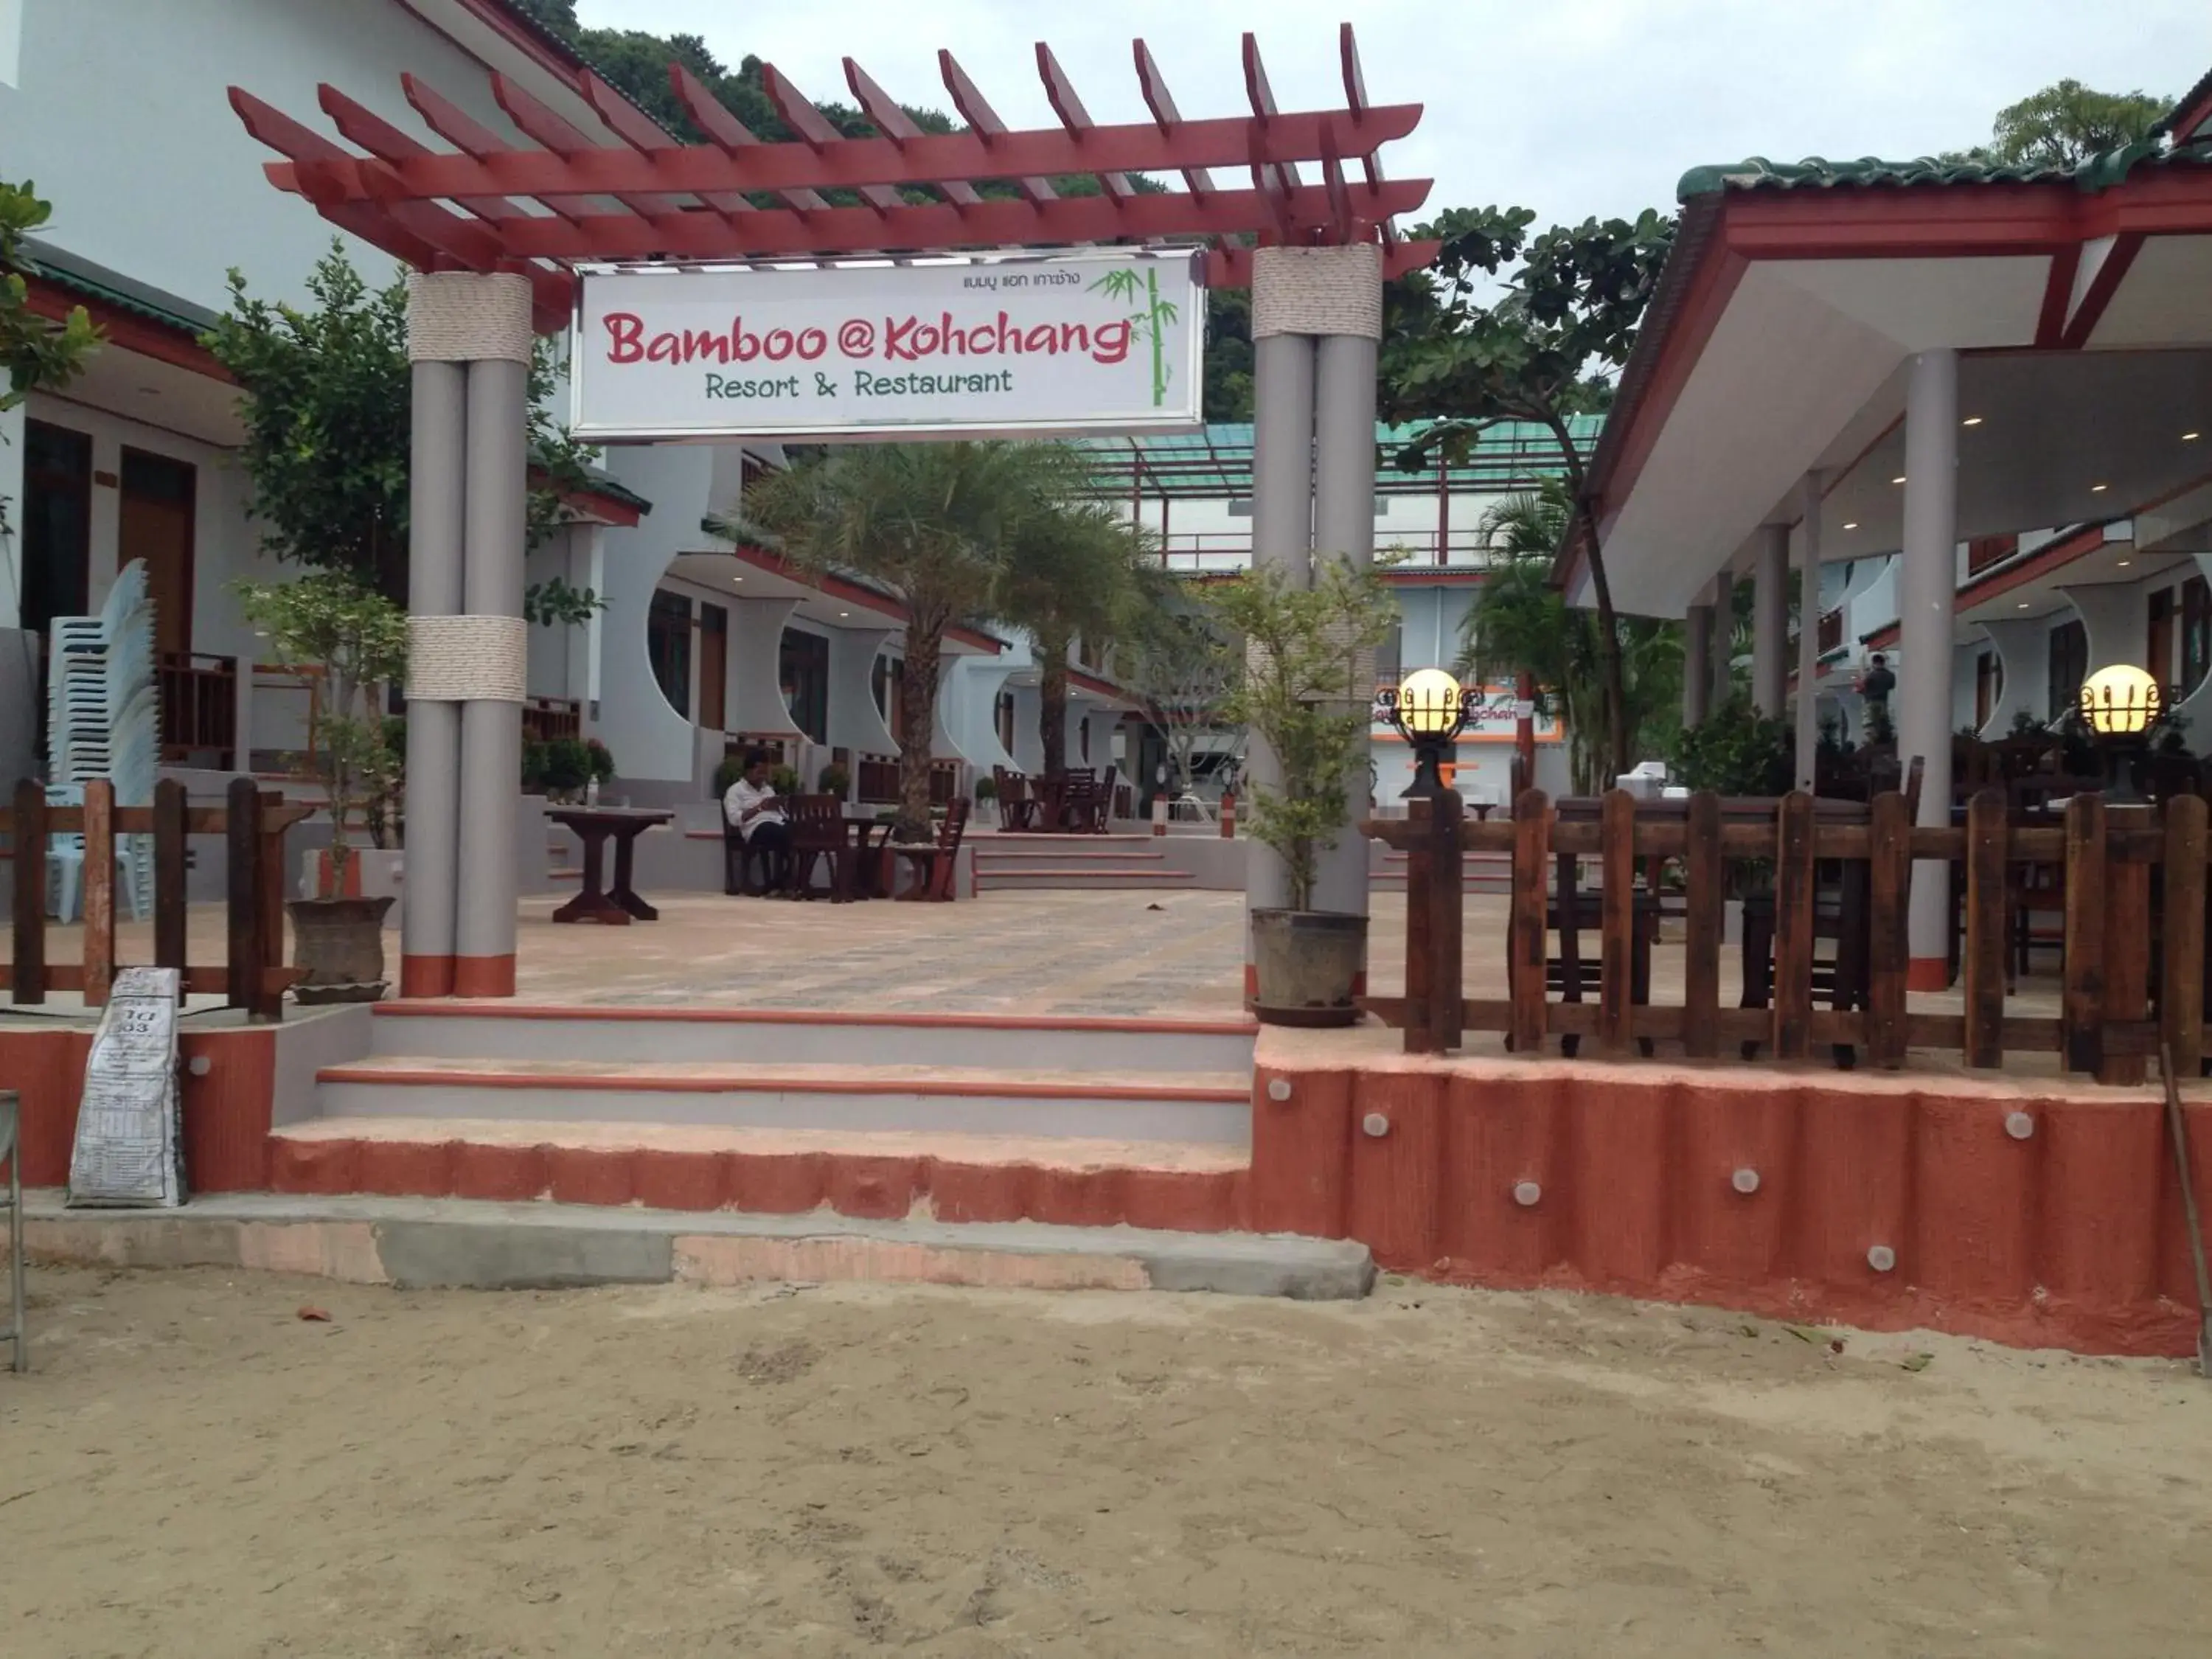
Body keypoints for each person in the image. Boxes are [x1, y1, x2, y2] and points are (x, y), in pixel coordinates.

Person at [723, 747, 792, 894]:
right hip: (755, 827)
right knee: (776, 833)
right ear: (748, 771)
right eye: (759, 772)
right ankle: (779, 882)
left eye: (765, 773)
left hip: (776, 823)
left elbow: (783, 816)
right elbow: (734, 819)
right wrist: (760, 808)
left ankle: (787, 879)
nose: (762, 777)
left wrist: (781, 806)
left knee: (799, 832)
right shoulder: (735, 791)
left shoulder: (768, 790)